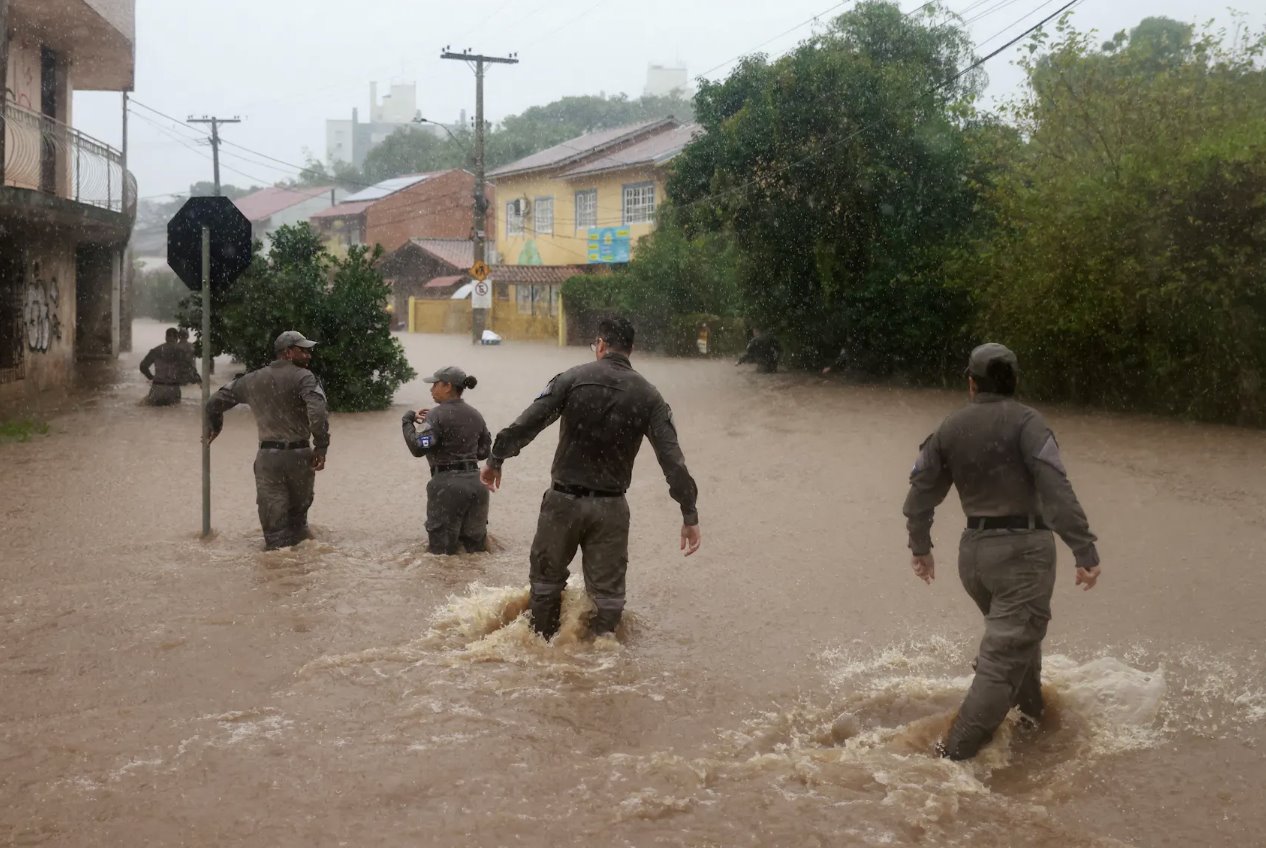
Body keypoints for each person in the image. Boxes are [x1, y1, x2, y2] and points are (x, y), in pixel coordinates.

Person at [902, 342, 1102, 760]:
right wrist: (1083, 549)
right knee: (1003, 659)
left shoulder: (950, 428)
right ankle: (948, 760)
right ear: (1014, 382)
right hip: (1022, 554)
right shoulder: (1028, 423)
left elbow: (921, 492)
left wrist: (920, 545)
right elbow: (1056, 488)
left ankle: (1031, 720)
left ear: (972, 384)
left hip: (973, 557)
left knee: (1015, 645)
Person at [480, 316, 702, 640]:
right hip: (610, 509)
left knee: (545, 587)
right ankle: (598, 663)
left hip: (562, 503)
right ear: (631, 349)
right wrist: (689, 513)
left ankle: (541, 653)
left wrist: (496, 458)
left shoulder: (572, 379)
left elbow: (528, 423)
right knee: (608, 601)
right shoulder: (649, 396)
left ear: (599, 345)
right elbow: (674, 463)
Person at [205, 330, 330, 550]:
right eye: (303, 351)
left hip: (268, 460)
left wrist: (216, 426)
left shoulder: (252, 379)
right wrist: (321, 447)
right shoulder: (305, 378)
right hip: (300, 457)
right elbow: (318, 413)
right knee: (298, 524)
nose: (309, 356)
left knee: (274, 531)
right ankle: (300, 575)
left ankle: (277, 575)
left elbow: (214, 402)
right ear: (288, 352)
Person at [402, 365, 492, 555]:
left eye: (435, 384)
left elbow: (419, 447)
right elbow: (484, 452)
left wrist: (408, 421)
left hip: (447, 487)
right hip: (477, 485)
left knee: (441, 554)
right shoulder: (476, 415)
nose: (431, 389)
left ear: (447, 386)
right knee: (475, 552)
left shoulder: (436, 414)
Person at [140, 327, 197, 405]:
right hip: (173, 389)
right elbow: (189, 369)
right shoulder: (181, 352)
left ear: (166, 337)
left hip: (157, 387)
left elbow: (143, 366)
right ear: (177, 338)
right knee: (173, 413)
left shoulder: (156, 350)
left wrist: (151, 377)